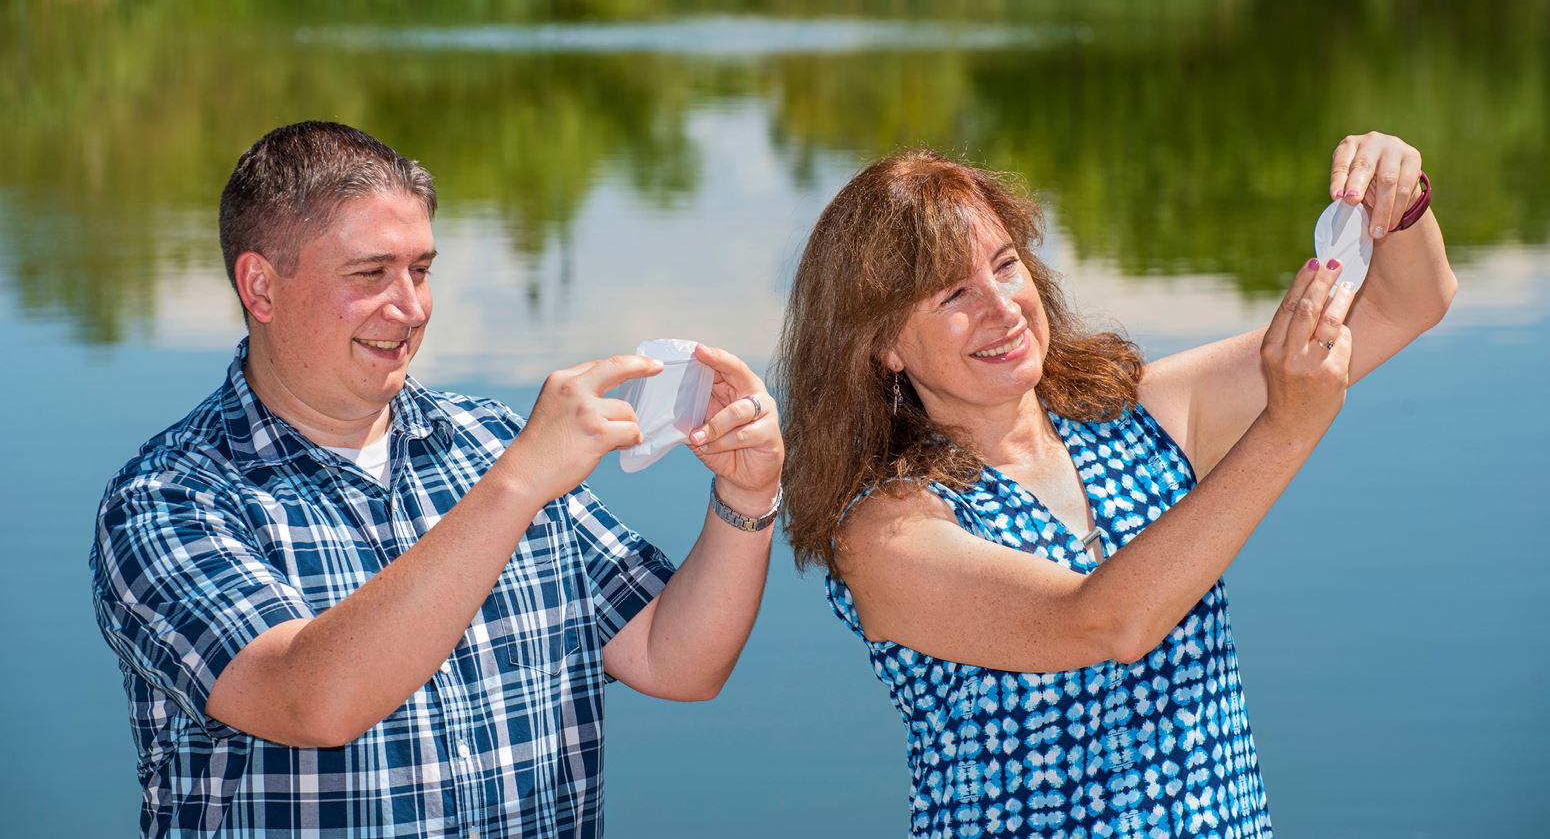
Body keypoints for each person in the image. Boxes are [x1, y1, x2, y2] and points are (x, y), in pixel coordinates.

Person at [90, 121, 783, 838]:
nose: (412, 308)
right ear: (261, 287)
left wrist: (746, 498)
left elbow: (676, 660)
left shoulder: (494, 442)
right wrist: (514, 488)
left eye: (420, 270)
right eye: (370, 274)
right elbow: (311, 701)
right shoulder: (167, 500)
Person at [773, 132, 1453, 837]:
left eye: (1006, 266)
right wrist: (1286, 429)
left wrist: (1396, 208)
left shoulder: (1146, 419)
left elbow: (1407, 305)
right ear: (882, 344)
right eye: (953, 294)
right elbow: (1103, 622)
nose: (1003, 307)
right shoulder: (885, 533)